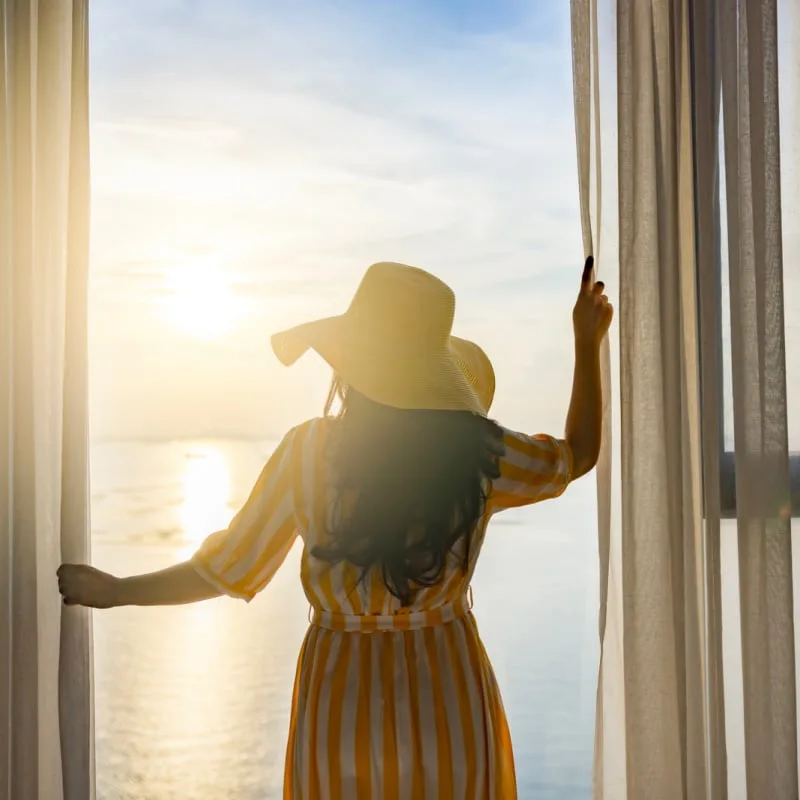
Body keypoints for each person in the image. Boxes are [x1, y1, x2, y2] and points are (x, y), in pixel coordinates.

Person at [59, 258, 612, 799]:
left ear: (351, 364)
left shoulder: (309, 453)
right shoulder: (479, 457)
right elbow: (577, 455)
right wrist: (586, 343)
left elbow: (227, 570)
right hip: (448, 692)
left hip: (339, 700)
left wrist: (116, 592)